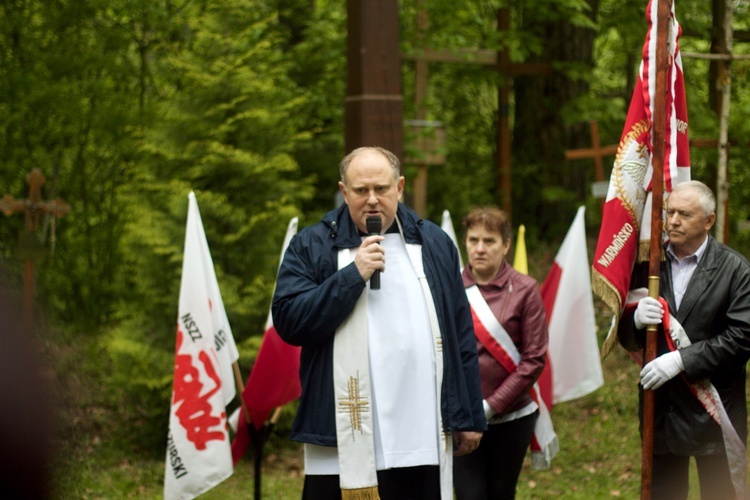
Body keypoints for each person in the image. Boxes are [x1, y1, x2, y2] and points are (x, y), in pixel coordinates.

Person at [272, 146, 486, 499]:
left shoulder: (434, 244)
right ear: (344, 192)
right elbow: (290, 321)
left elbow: (460, 332)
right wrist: (352, 275)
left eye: (382, 189)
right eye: (360, 191)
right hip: (342, 432)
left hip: (421, 429)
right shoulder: (312, 245)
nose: (372, 200)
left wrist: (468, 415)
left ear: (399, 188)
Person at [618, 180, 750, 499]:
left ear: (708, 221)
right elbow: (624, 334)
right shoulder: (649, 265)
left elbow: (742, 338)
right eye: (670, 212)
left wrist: (681, 360)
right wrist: (634, 320)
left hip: (715, 410)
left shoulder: (734, 269)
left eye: (684, 214)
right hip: (662, 409)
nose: (673, 221)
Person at [452, 207, 552, 499]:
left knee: (501, 492)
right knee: (469, 494)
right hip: (462, 417)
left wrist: (489, 406)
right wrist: (467, 410)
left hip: (512, 416)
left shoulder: (525, 289)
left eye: (489, 240)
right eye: (473, 240)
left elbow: (534, 359)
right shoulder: (450, 287)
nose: (479, 248)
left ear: (506, 245)